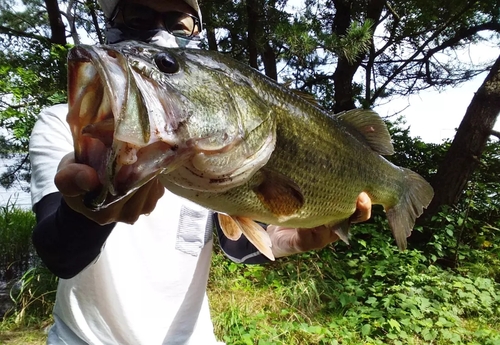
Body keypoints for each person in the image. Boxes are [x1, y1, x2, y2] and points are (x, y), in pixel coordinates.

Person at [29, 0, 372, 344]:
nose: (161, 35)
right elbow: (60, 255)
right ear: (111, 23)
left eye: (179, 24)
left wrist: (291, 240)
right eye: (138, 16)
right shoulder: (64, 123)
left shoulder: (213, 154)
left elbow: (235, 244)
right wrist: (86, 212)